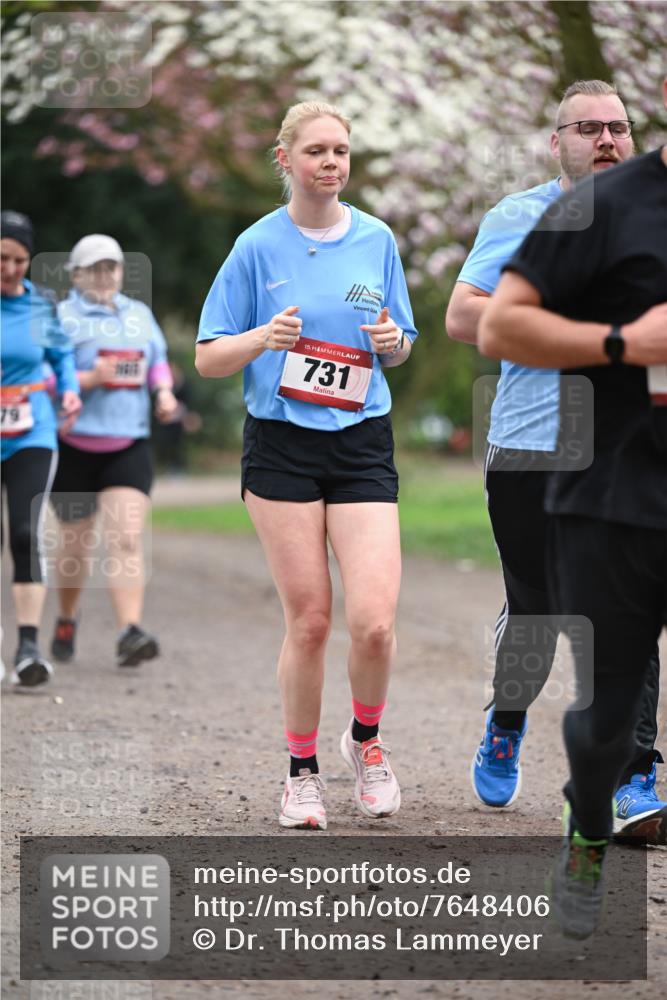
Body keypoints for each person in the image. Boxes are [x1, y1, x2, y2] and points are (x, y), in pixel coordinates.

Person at [446, 79, 665, 842]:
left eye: (616, 127)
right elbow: (464, 316)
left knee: (631, 614)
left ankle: (635, 779)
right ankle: (507, 718)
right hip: (530, 443)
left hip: (624, 447)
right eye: (586, 129)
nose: (605, 140)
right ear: (555, 143)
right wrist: (583, 318)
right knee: (536, 612)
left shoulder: (648, 213)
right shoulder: (521, 216)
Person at [196, 101, 417, 830]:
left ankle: (366, 742)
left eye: (341, 151)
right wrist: (261, 338)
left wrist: (392, 342)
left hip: (361, 440)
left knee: (374, 623)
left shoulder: (377, 238)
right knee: (313, 621)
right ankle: (301, 773)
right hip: (282, 444)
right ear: (285, 158)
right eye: (316, 150)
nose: (330, 162)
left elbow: (402, 340)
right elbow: (208, 356)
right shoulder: (256, 246)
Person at [49, 234, 179, 667]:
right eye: (95, 269)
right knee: (76, 547)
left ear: (122, 272)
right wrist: (89, 379)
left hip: (128, 442)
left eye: (112, 267)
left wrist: (163, 393)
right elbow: (44, 379)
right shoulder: (61, 318)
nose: (105, 276)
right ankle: (67, 617)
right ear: (76, 275)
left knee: (125, 537)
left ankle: (129, 631)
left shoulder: (138, 314)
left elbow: (156, 361)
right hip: (74, 445)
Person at [1, 210, 81, 686]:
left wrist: (69, 389)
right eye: (2, 258)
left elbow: (61, 355)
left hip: (31, 432)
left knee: (25, 530)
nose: (10, 269)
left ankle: (29, 648)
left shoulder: (40, 306)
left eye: (19, 260)